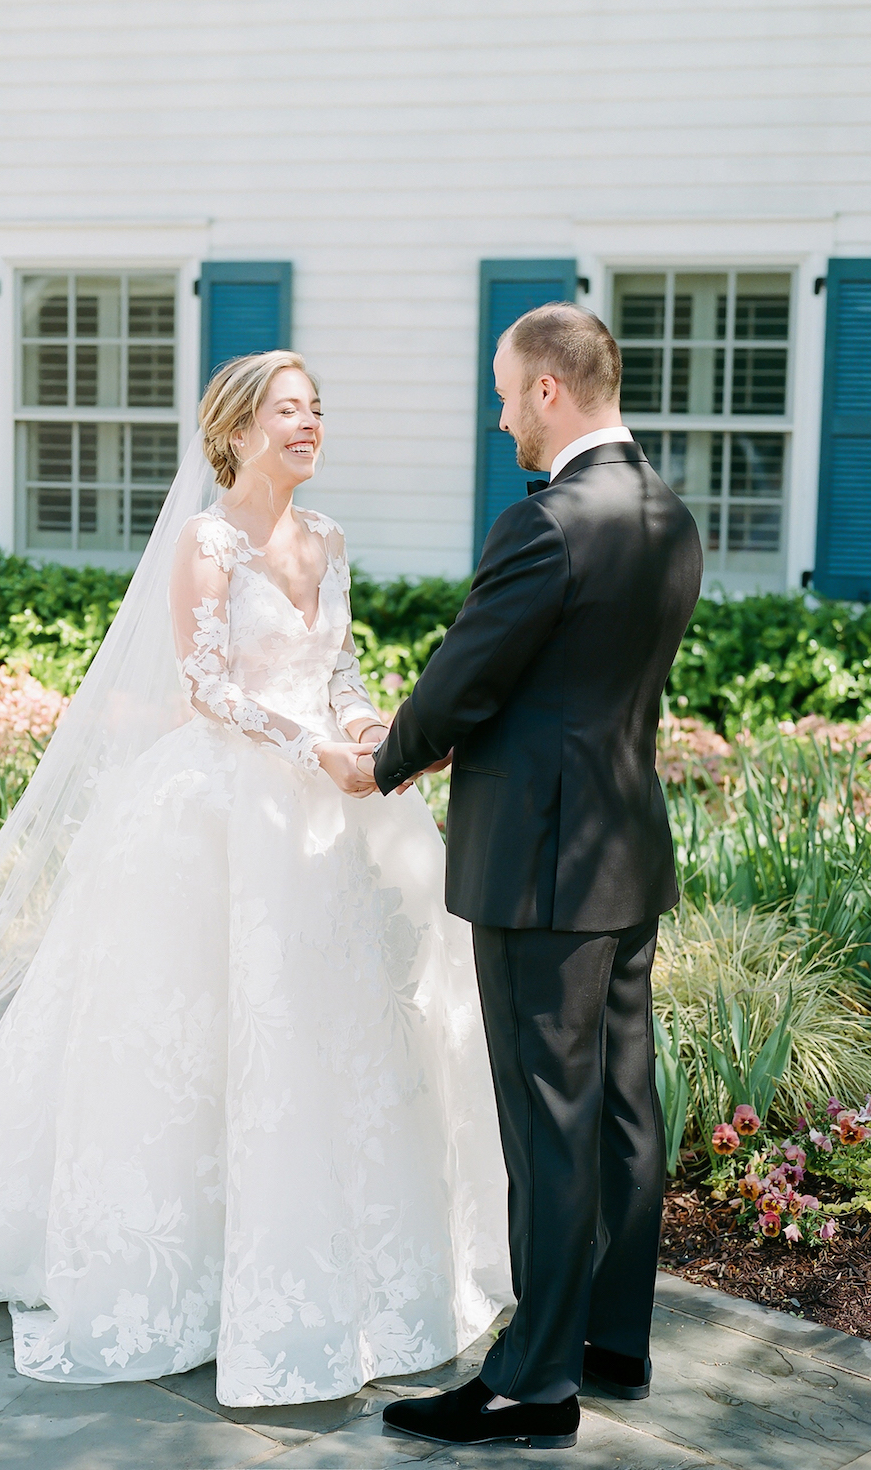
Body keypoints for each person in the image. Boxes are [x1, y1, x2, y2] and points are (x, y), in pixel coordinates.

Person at [0, 351, 511, 1408]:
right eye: (288, 410)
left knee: (331, 1035)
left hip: (332, 814)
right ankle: (190, 1254)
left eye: (317, 409)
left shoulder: (328, 539)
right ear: (236, 430)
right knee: (209, 1028)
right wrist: (316, 751)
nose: (310, 424)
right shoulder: (207, 542)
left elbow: (343, 668)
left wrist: (367, 729)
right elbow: (208, 689)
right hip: (229, 810)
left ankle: (332, 1253)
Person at [366, 304, 702, 1450]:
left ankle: (533, 1386)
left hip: (543, 868)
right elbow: (571, 677)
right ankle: (612, 1339)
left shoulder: (546, 523)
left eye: (506, 390)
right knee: (618, 1109)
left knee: (547, 1124)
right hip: (625, 850)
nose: (499, 410)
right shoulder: (667, 512)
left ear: (551, 390)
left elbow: (469, 675)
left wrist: (382, 760)